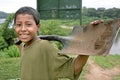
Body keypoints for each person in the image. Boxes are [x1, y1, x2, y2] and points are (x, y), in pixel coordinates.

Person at [14, 6, 103, 80]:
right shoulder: (26, 45)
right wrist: (19, 46)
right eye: (19, 25)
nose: (23, 29)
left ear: (38, 27)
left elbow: (74, 68)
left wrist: (87, 40)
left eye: (28, 24)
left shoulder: (45, 46)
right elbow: (29, 57)